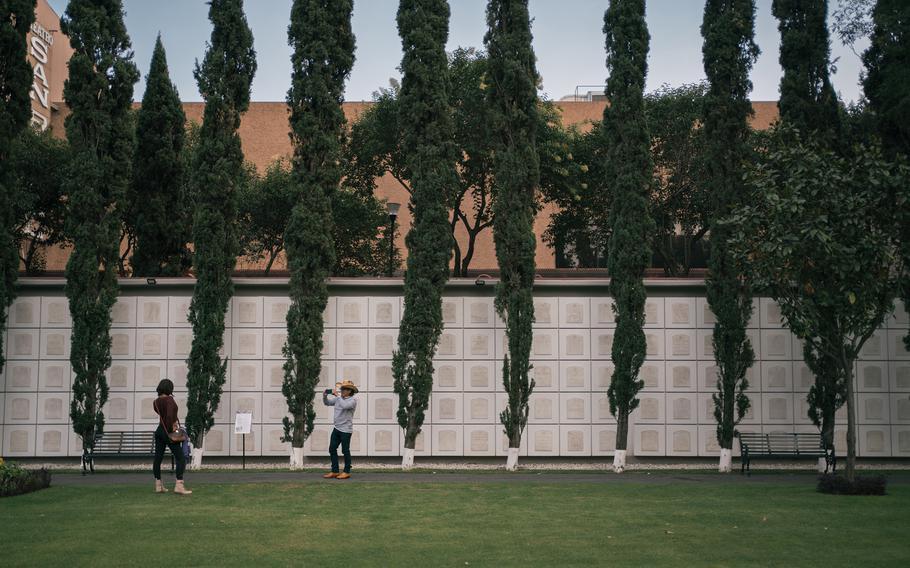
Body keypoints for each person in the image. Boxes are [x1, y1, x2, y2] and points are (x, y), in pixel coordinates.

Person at [153, 379, 191, 495]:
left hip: (160, 430)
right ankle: (179, 485)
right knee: (180, 458)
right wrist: (172, 429)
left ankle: (158, 485)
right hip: (168, 432)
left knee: (158, 458)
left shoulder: (156, 401)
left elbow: (161, 414)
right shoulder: (169, 400)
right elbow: (169, 416)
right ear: (170, 388)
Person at [322, 379, 358, 480]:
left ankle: (347, 471)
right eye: (342, 388)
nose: (342, 390)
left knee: (345, 450)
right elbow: (327, 403)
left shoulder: (353, 400)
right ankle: (335, 471)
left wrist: (337, 395)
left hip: (346, 430)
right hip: (337, 428)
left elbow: (345, 405)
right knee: (332, 449)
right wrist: (325, 395)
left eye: (344, 389)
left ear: (350, 391)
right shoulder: (339, 399)